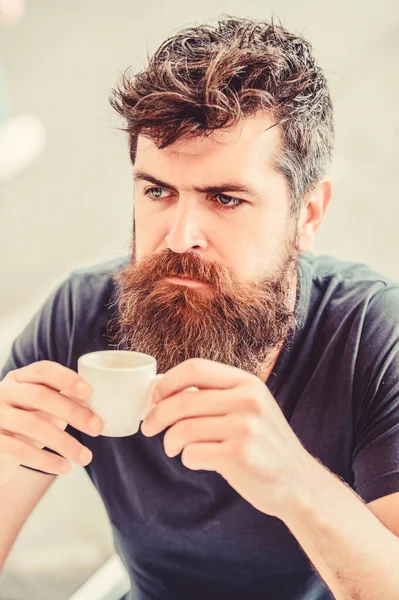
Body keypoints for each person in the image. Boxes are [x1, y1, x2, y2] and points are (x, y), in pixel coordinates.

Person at [0, 16, 399, 600]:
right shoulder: (83, 317)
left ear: (308, 215)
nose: (180, 235)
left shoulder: (371, 336)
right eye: (157, 191)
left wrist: (293, 480)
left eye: (225, 198)